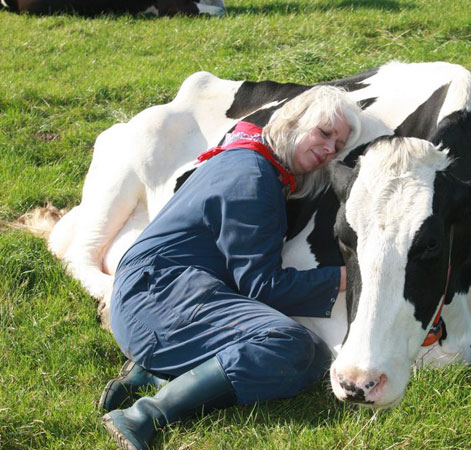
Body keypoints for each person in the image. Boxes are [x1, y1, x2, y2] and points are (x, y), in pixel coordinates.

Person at [100, 85, 364, 449]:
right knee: (290, 346)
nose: (330, 150)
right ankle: (145, 414)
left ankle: (152, 373)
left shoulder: (250, 159)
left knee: (314, 356)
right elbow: (263, 287)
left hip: (158, 291)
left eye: (338, 144)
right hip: (155, 299)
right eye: (324, 133)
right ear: (293, 122)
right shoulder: (253, 178)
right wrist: (346, 277)